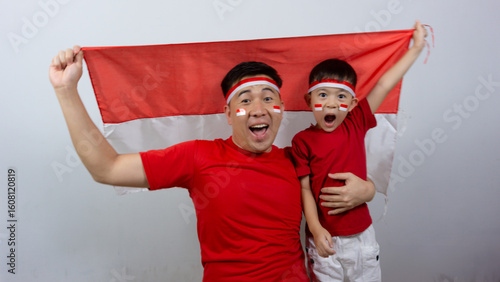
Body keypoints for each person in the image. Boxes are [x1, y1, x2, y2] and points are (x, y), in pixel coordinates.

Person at [49, 46, 376, 281]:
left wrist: (369, 189)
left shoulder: (296, 159)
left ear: (281, 109)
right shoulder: (198, 156)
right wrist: (66, 91)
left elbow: (336, 187)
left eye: (268, 98)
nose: (259, 108)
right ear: (228, 114)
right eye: (246, 100)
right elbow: (107, 168)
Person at [291, 21, 426, 281]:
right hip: (326, 239)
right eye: (323, 95)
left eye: (341, 97)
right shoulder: (302, 141)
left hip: (362, 238)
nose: (331, 102)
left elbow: (385, 84)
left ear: (352, 104)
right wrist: (317, 230)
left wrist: (416, 48)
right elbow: (305, 188)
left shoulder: (356, 122)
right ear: (309, 101)